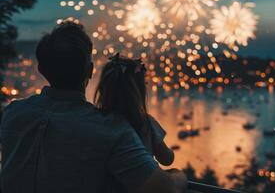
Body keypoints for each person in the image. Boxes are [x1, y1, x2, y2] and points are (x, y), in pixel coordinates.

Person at [0, 22, 187, 193]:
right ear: (90, 70)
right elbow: (163, 189)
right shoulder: (111, 129)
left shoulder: (12, 113)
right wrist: (178, 176)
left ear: (41, 69)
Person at [94, 53, 174, 166]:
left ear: (103, 89)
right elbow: (167, 159)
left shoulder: (97, 120)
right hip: (143, 180)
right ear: (139, 91)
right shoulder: (146, 124)